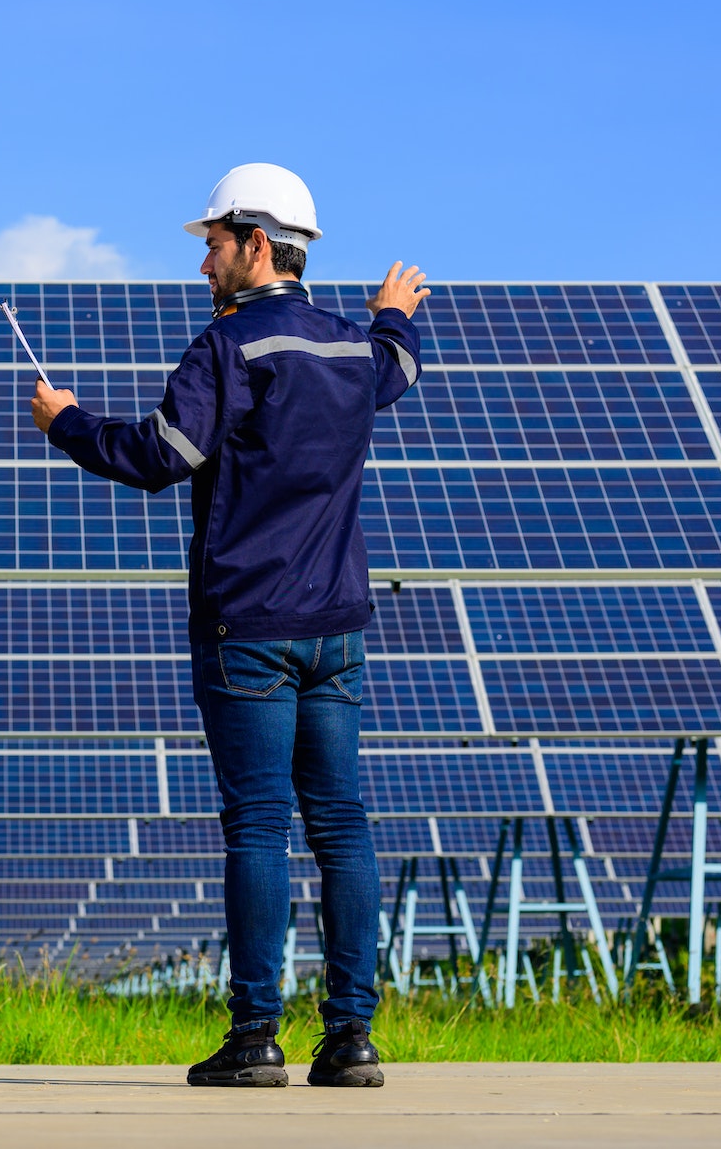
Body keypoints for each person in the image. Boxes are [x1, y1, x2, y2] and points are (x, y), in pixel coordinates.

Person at [28, 163, 426, 1088]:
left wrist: (68, 422)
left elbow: (163, 454)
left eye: (211, 242)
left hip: (248, 624)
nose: (202, 261)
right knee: (341, 825)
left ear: (255, 243)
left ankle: (255, 1039)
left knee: (257, 826)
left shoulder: (228, 347)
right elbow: (394, 369)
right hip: (338, 628)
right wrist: (394, 311)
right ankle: (352, 1039)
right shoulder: (347, 349)